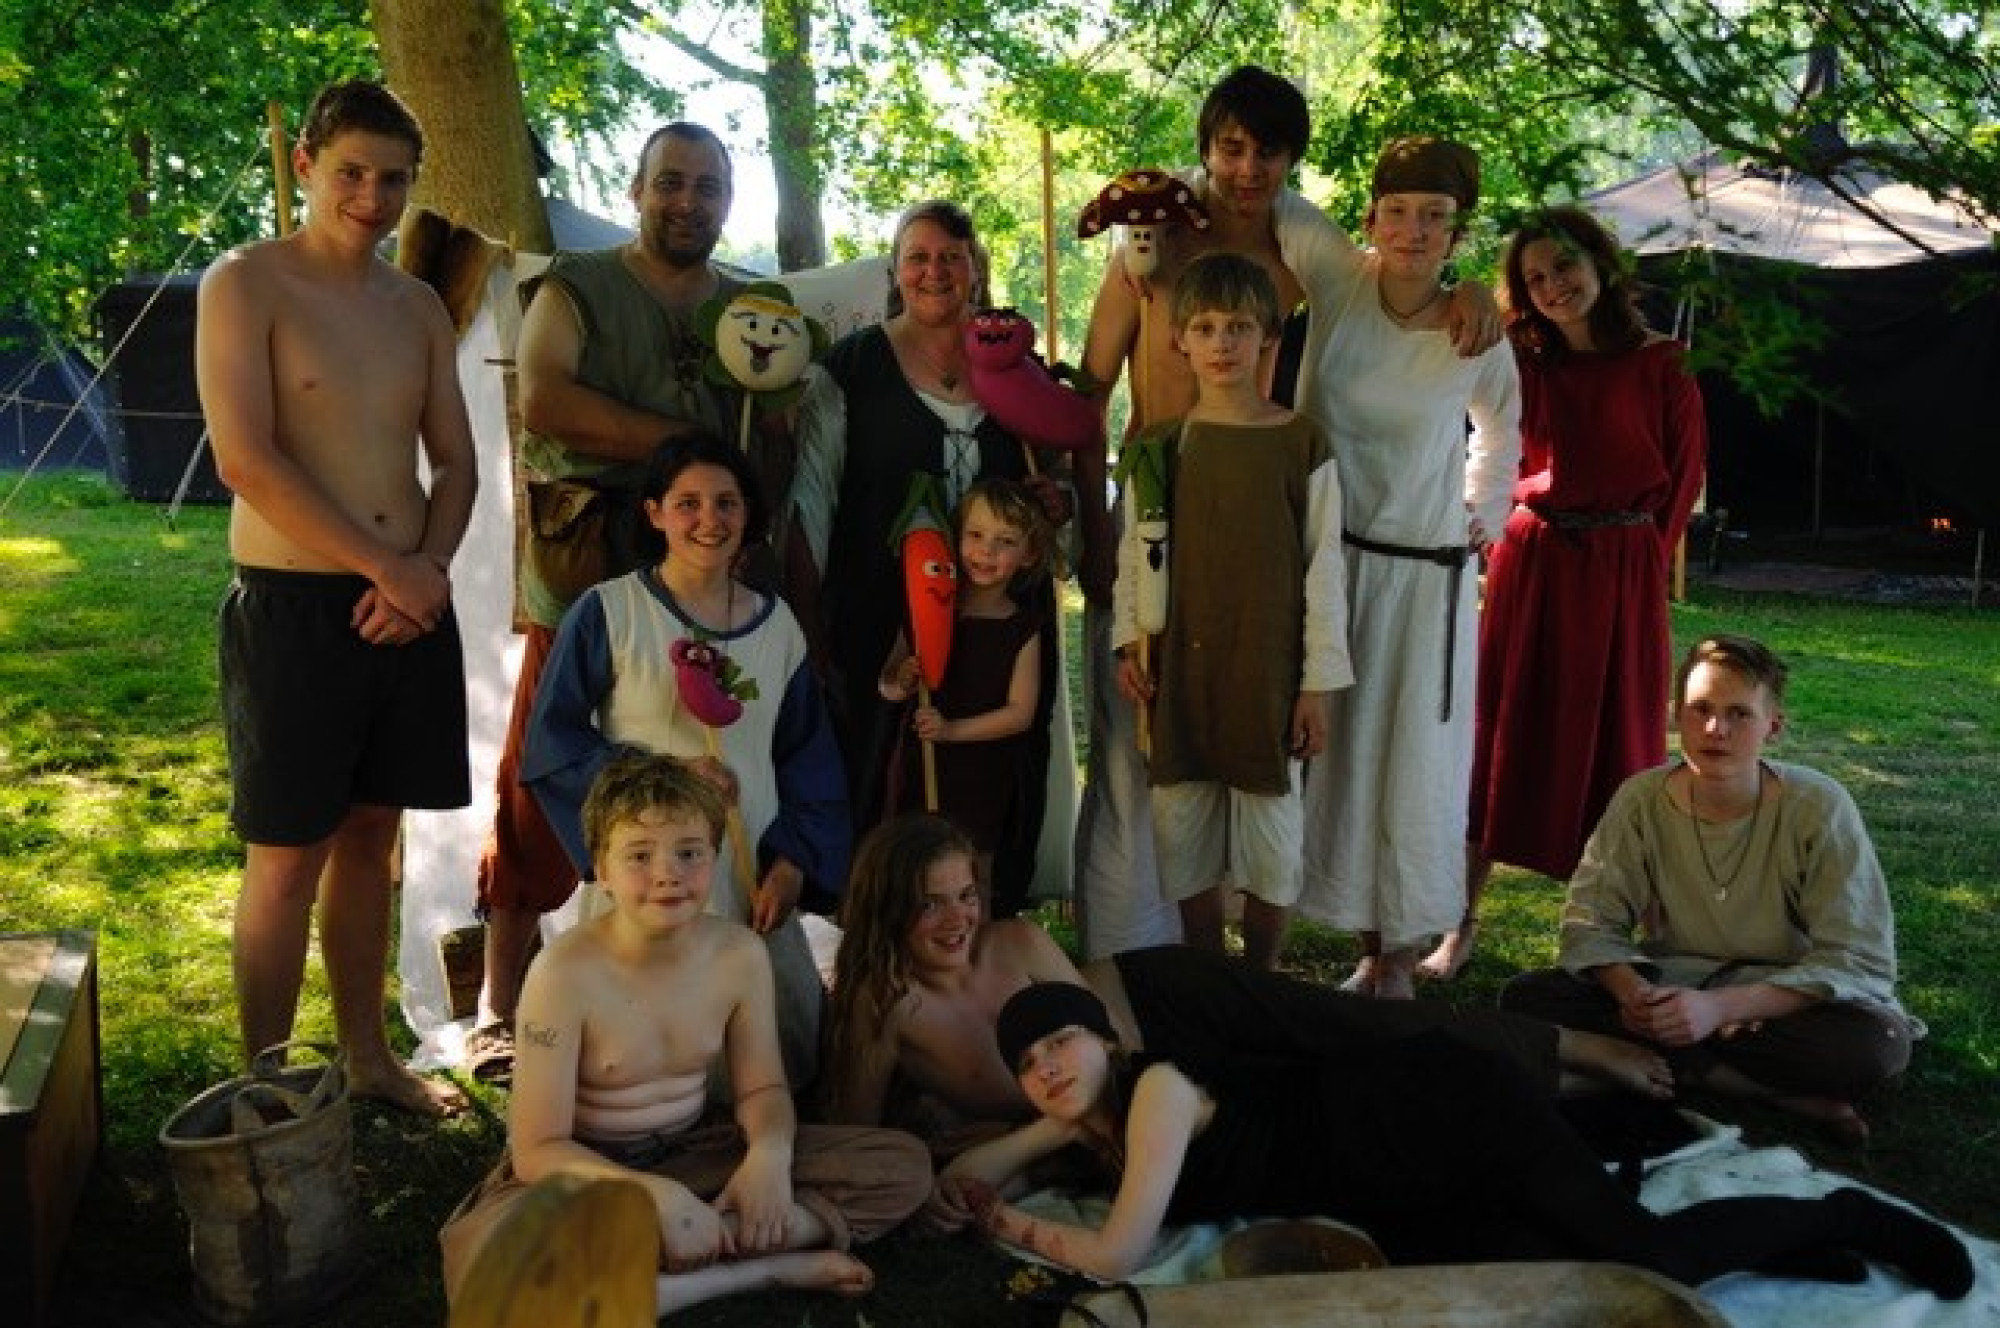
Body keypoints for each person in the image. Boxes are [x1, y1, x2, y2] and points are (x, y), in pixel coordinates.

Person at [1074, 65, 1500, 963]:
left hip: (1260, 518)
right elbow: (1090, 389)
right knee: (1136, 750)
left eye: (1268, 153)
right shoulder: (1151, 232)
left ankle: (1245, 962)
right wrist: (1090, 519)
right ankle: (1128, 951)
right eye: (1230, 149)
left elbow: (1395, 278)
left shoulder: (1299, 250)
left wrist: (1468, 290)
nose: (1247, 169)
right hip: (1155, 507)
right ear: (1205, 148)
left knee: (1246, 740)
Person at [934, 981, 1972, 1301]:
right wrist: (1045, 1123)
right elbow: (965, 1172)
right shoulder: (1100, 1121)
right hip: (1392, 1186)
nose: (1048, 1064)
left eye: (1063, 1040)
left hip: (1435, 1109)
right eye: (1028, 1060)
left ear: (1108, 1039)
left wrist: (1008, 1223)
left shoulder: (1157, 1088)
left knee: (1643, 1258)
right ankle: (1792, 1249)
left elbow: (1115, 1253)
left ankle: (1840, 1216)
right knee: (1545, 1273)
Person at [196, 79, 476, 1117]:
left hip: (407, 608)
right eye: (352, 172)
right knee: (285, 855)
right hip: (297, 607)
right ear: (306, 164)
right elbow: (245, 458)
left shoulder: (418, 306)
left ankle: (367, 1057)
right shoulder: (245, 283)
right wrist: (384, 567)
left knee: (371, 838)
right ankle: (265, 1082)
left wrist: (425, 571)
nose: (372, 196)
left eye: (393, 179)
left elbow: (456, 463)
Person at [470, 122, 764, 1082]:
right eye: (670, 182)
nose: (688, 201)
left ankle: (679, 985)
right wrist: (682, 442)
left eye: (708, 186)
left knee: (693, 761)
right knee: (544, 765)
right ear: (637, 190)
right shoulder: (576, 287)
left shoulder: (747, 308)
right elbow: (548, 401)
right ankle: (502, 1003)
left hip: (699, 575)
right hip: (587, 568)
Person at [821, 814, 1671, 1142]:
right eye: (931, 904)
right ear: (887, 908)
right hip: (1168, 1089)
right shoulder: (883, 1007)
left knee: (1355, 1028)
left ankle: (1569, 1044)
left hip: (1168, 1002)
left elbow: (1104, 1059)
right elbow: (853, 1132)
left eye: (965, 895)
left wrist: (992, 1138)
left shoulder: (1012, 942)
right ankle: (1558, 1085)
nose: (957, 919)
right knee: (1352, 1092)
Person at [439, 752, 931, 1315]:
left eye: (689, 852)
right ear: (600, 869)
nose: (668, 873)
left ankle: (665, 1262)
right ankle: (747, 1267)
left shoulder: (738, 954)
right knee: (494, 1265)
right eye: (639, 855)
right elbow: (536, 1149)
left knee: (904, 1169)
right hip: (588, 1171)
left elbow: (763, 1089)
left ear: (715, 857)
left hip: (701, 1150)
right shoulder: (563, 973)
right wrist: (655, 1195)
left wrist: (768, 1156)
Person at [1500, 634, 1922, 1144]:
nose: (1715, 730)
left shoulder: (1817, 805)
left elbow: (1857, 956)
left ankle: (1644, 1065)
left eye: (1738, 714)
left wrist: (1723, 1008)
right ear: (1676, 715)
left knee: (1874, 1046)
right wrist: (1635, 998)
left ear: (1773, 727)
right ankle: (1768, 1091)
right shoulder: (1640, 799)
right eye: (1700, 709)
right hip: (1672, 985)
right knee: (1527, 997)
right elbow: (1591, 920)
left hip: (1782, 998)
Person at [520, 433, 846, 1090]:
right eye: (687, 503)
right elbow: (552, 745)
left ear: (748, 515)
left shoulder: (778, 626)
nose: (709, 520)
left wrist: (794, 864)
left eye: (727, 503)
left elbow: (809, 761)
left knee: (763, 1068)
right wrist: (663, 780)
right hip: (647, 874)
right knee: (640, 1066)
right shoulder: (609, 612)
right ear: (655, 514)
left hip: (746, 880)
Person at [1444, 206, 1709, 979]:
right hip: (1532, 561)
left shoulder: (1665, 363)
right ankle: (1458, 922)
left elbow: (1681, 480)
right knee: (1501, 730)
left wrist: (1635, 567)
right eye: (1535, 278)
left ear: (1600, 264)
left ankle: (1637, 931)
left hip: (1621, 568)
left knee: (1622, 742)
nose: (1553, 285)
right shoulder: (1519, 361)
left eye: (1564, 266)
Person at [1290, 136, 1522, 999]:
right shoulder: (1337, 280)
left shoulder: (1474, 331)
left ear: (1457, 232)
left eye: (1434, 217)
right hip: (1333, 565)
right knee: (1342, 752)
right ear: (1371, 217)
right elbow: (1261, 193)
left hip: (1426, 575)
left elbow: (1502, 430)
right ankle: (1365, 944)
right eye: (1397, 212)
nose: (1413, 231)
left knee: (1411, 760)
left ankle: (1400, 956)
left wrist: (1480, 513)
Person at [791, 200, 1062, 909]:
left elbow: (1055, 473)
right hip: (881, 622)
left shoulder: (1015, 367)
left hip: (998, 629)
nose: (934, 271)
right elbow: (811, 503)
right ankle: (880, 941)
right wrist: (810, 622)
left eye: (951, 257)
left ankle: (976, 934)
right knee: (885, 773)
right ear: (895, 270)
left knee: (989, 786)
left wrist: (1052, 501)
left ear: (975, 268)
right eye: (917, 257)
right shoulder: (850, 369)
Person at [1112, 253, 1350, 969]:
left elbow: (1325, 568)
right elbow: (1134, 558)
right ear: (1179, 339)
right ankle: (1208, 972)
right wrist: (1128, 644)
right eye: (1206, 328)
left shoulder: (1300, 442)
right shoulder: (1158, 447)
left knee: (1272, 839)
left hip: (1267, 668)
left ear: (1268, 337)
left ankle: (1261, 974)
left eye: (1239, 327)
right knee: (1182, 825)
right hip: (1182, 668)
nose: (1222, 343)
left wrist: (1315, 686)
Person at [878, 478, 1053, 914]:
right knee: (913, 871)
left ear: (1029, 554)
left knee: (975, 874)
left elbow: (1020, 714)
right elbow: (886, 684)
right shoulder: (925, 606)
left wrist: (951, 730)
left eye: (1005, 541)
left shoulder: (1022, 628)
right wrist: (902, 680)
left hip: (981, 776)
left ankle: (974, 950)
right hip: (921, 768)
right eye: (975, 535)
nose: (986, 551)